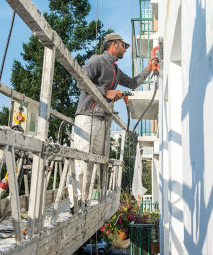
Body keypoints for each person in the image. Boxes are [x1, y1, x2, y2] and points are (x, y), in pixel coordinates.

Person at [68, 33, 158, 214]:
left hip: (102, 120)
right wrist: (105, 92)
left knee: (94, 163)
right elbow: (80, 81)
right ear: (113, 44)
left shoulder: (115, 70)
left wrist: (148, 69)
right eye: (124, 45)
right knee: (80, 161)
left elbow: (132, 83)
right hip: (86, 117)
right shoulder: (97, 61)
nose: (126, 49)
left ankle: (83, 202)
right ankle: (74, 204)